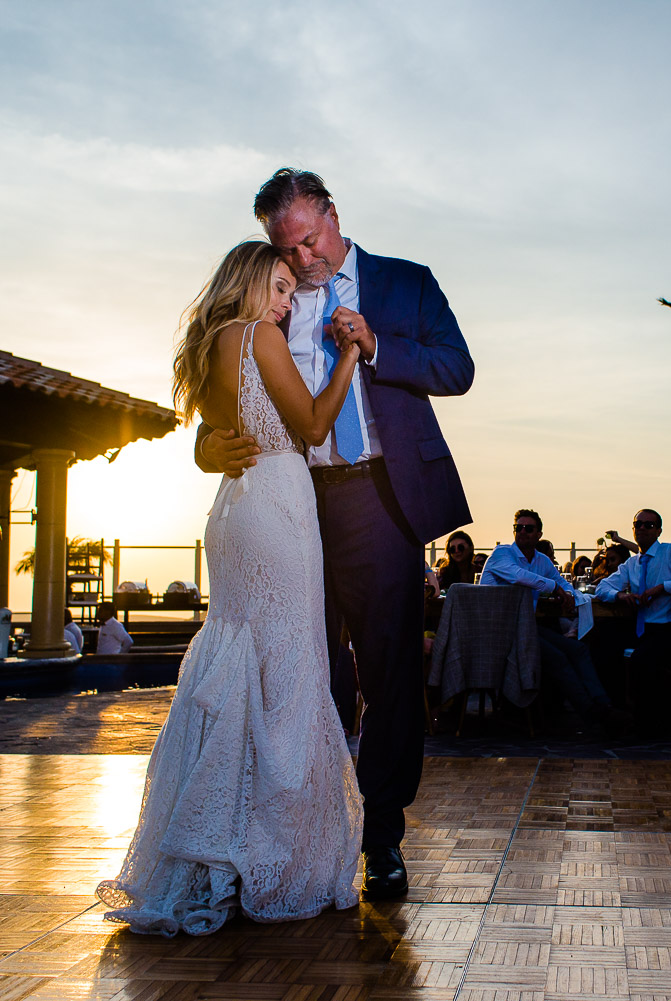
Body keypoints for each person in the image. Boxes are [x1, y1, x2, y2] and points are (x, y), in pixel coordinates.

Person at [192, 170, 473, 900]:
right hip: (291, 501)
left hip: (378, 498)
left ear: (332, 215)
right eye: (285, 246)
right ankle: (286, 836)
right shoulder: (269, 298)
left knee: (388, 674)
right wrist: (205, 448)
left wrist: (376, 345)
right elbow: (225, 396)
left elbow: (457, 368)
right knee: (298, 671)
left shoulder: (407, 282)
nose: (303, 258)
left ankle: (380, 835)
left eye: (310, 240)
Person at [99, 239, 367, 935]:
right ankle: (271, 858)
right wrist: (348, 358)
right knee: (288, 668)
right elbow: (311, 426)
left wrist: (203, 446)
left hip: (232, 508)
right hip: (276, 504)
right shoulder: (258, 336)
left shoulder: (210, 343)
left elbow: (207, 441)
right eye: (277, 287)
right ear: (248, 285)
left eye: (288, 290)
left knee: (239, 662)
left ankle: (214, 856)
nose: (285, 303)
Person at [480, 509, 624, 735]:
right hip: (498, 632)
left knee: (578, 649)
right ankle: (592, 715)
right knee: (557, 657)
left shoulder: (542, 560)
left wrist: (569, 595)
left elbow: (563, 583)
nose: (523, 532)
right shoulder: (502, 554)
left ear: (539, 534)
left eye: (529, 528)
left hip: (526, 628)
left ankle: (603, 704)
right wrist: (554, 588)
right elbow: (519, 575)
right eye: (519, 528)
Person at [594, 509, 671, 732]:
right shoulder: (632, 564)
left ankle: (649, 720)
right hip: (639, 628)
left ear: (658, 530)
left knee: (642, 660)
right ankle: (614, 711)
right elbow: (603, 587)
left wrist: (663, 587)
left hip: (667, 629)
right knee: (601, 646)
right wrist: (620, 595)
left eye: (648, 525)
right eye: (638, 524)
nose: (642, 529)